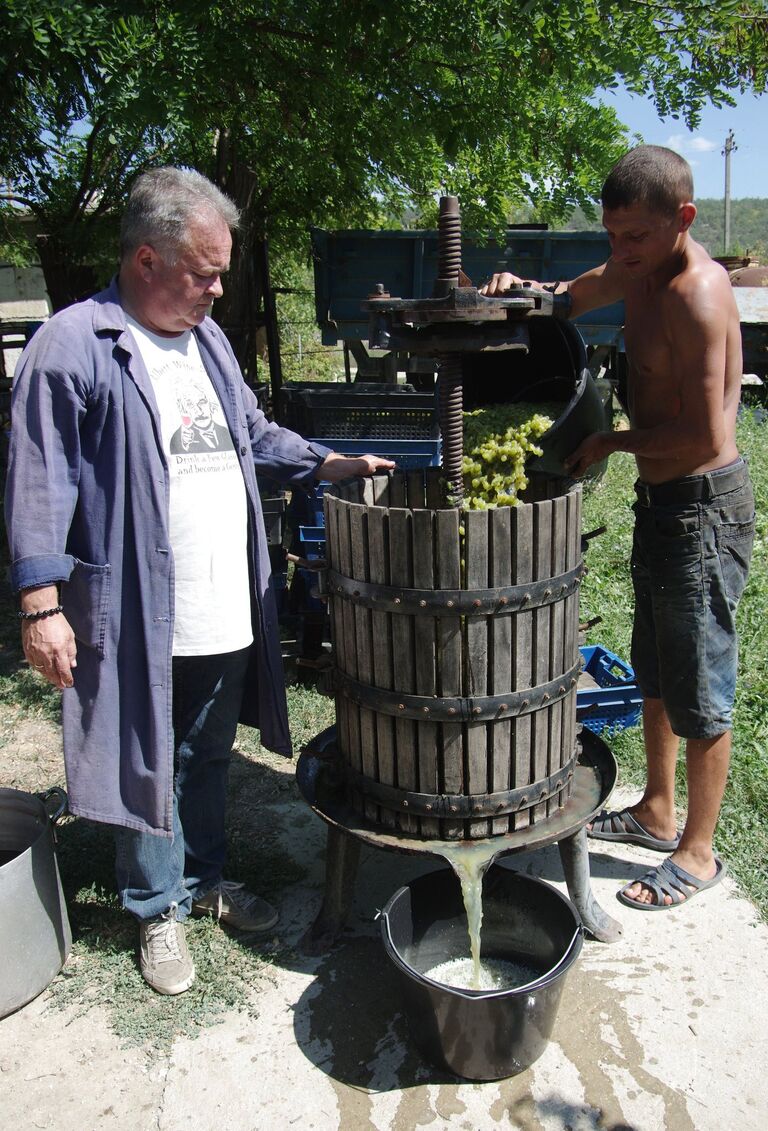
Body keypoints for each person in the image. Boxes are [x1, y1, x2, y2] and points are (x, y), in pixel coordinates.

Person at [5, 167, 394, 994]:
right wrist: (42, 603)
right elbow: (40, 479)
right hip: (141, 608)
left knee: (207, 752)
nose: (220, 286)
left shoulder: (208, 339)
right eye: (205, 271)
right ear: (146, 259)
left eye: (221, 271)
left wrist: (328, 461)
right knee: (147, 754)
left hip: (228, 600)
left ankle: (205, 879)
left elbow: (249, 433)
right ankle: (157, 907)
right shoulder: (76, 343)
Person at [482, 145, 754, 911]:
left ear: (683, 220)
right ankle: (658, 810)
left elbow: (704, 434)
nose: (620, 252)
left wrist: (611, 442)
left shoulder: (697, 295)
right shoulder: (636, 269)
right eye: (613, 236)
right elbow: (571, 297)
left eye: (635, 236)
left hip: (703, 505)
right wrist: (518, 292)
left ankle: (697, 854)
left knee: (700, 681)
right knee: (656, 666)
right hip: (665, 507)